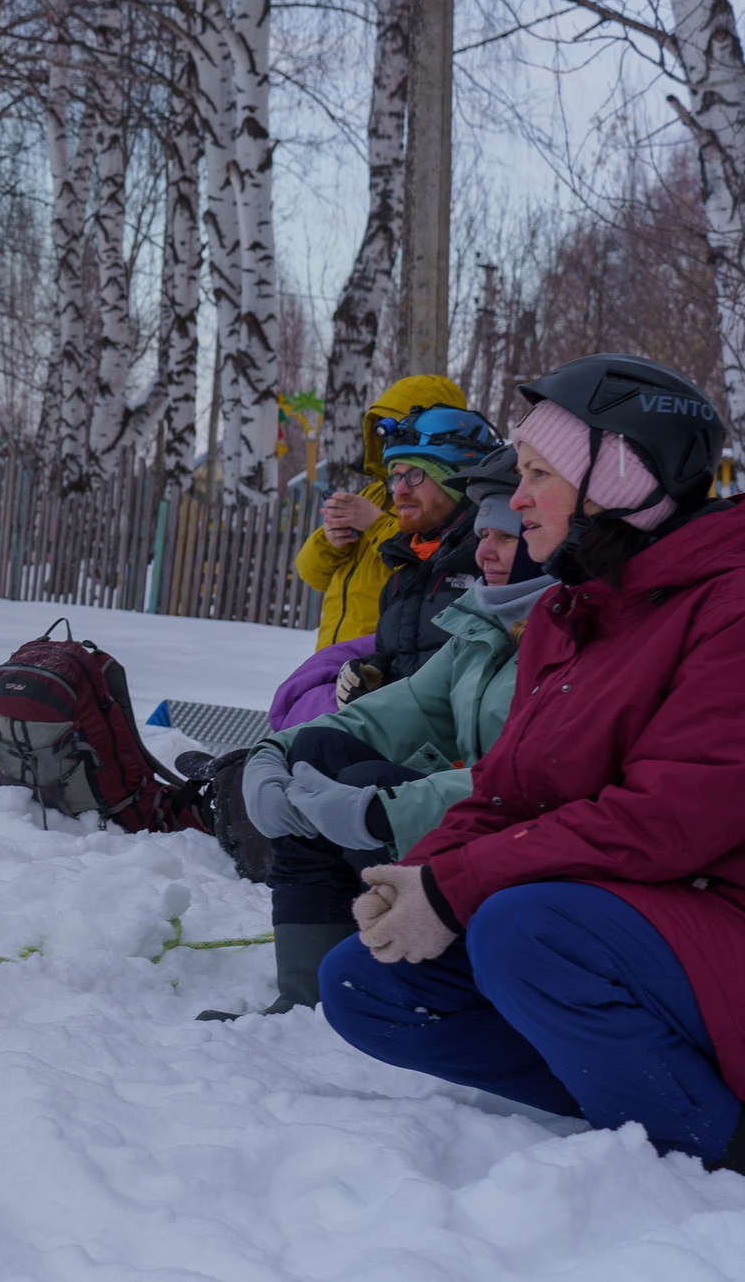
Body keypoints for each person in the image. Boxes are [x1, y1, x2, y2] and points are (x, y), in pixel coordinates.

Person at [321, 354, 745, 1167]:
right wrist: (420, 874)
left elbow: (668, 819)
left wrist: (464, 885)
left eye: (538, 474)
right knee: (365, 982)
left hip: (714, 914)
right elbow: (510, 791)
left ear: (619, 478)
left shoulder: (728, 605)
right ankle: (631, 1095)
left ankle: (712, 1142)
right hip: (633, 927)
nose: (513, 502)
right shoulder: (568, 609)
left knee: (528, 930)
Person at [205, 447, 553, 1019]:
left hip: (515, 839)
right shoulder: (489, 623)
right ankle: (302, 1000)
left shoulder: (568, 633)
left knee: (364, 779)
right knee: (314, 754)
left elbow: (537, 780)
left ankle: (396, 980)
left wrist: (383, 809)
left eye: (506, 537)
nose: (482, 550)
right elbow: (397, 709)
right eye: (482, 533)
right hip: (474, 816)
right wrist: (275, 752)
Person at [270, 402, 501, 732]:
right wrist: (377, 669)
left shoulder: (491, 565)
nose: (399, 490)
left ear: (456, 480)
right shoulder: (406, 568)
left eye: (415, 474)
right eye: (395, 477)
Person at [296, 375, 470, 650]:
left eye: (404, 428)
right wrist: (331, 540)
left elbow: (430, 558)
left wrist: (374, 523)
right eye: (387, 430)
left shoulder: (450, 497)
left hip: (381, 659)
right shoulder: (374, 494)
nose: (392, 439)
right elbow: (311, 575)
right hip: (332, 654)